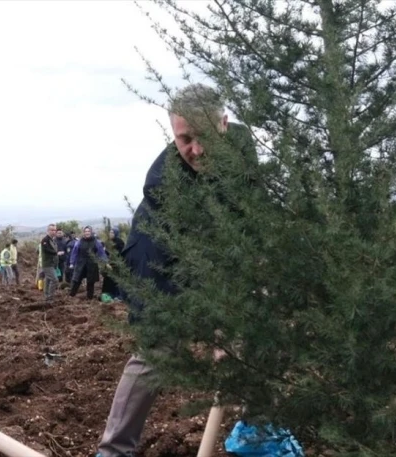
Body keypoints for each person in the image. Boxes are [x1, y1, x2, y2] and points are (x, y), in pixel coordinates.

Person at [95, 83, 257, 457]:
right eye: (185, 139)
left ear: (225, 124)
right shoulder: (164, 184)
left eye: (204, 137)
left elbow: (245, 225)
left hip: (220, 253)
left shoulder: (246, 151)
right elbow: (198, 259)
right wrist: (219, 323)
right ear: (173, 132)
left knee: (253, 331)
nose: (196, 150)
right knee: (158, 349)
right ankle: (114, 450)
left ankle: (258, 430)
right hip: (158, 257)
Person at [68, 226, 108, 300]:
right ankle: (71, 295)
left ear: (91, 232)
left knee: (91, 281)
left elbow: (101, 252)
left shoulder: (96, 242)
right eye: (85, 231)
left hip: (92, 263)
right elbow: (74, 252)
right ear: (83, 233)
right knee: (77, 280)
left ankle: (89, 298)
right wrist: (72, 263)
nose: (87, 233)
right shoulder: (79, 242)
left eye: (88, 231)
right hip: (81, 263)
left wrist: (105, 262)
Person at [40, 223, 63, 301]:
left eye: (54, 230)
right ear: (48, 230)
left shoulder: (52, 240)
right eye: (52, 230)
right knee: (54, 280)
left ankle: (47, 296)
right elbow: (47, 250)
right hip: (47, 264)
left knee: (48, 280)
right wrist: (56, 253)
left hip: (52, 264)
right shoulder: (45, 240)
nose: (54, 232)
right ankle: (50, 297)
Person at [101, 228, 125, 300]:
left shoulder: (120, 242)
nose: (110, 234)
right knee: (108, 280)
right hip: (108, 264)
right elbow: (104, 253)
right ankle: (108, 294)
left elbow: (121, 254)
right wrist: (106, 262)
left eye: (112, 233)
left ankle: (118, 295)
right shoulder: (107, 242)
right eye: (110, 232)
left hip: (116, 265)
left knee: (116, 281)